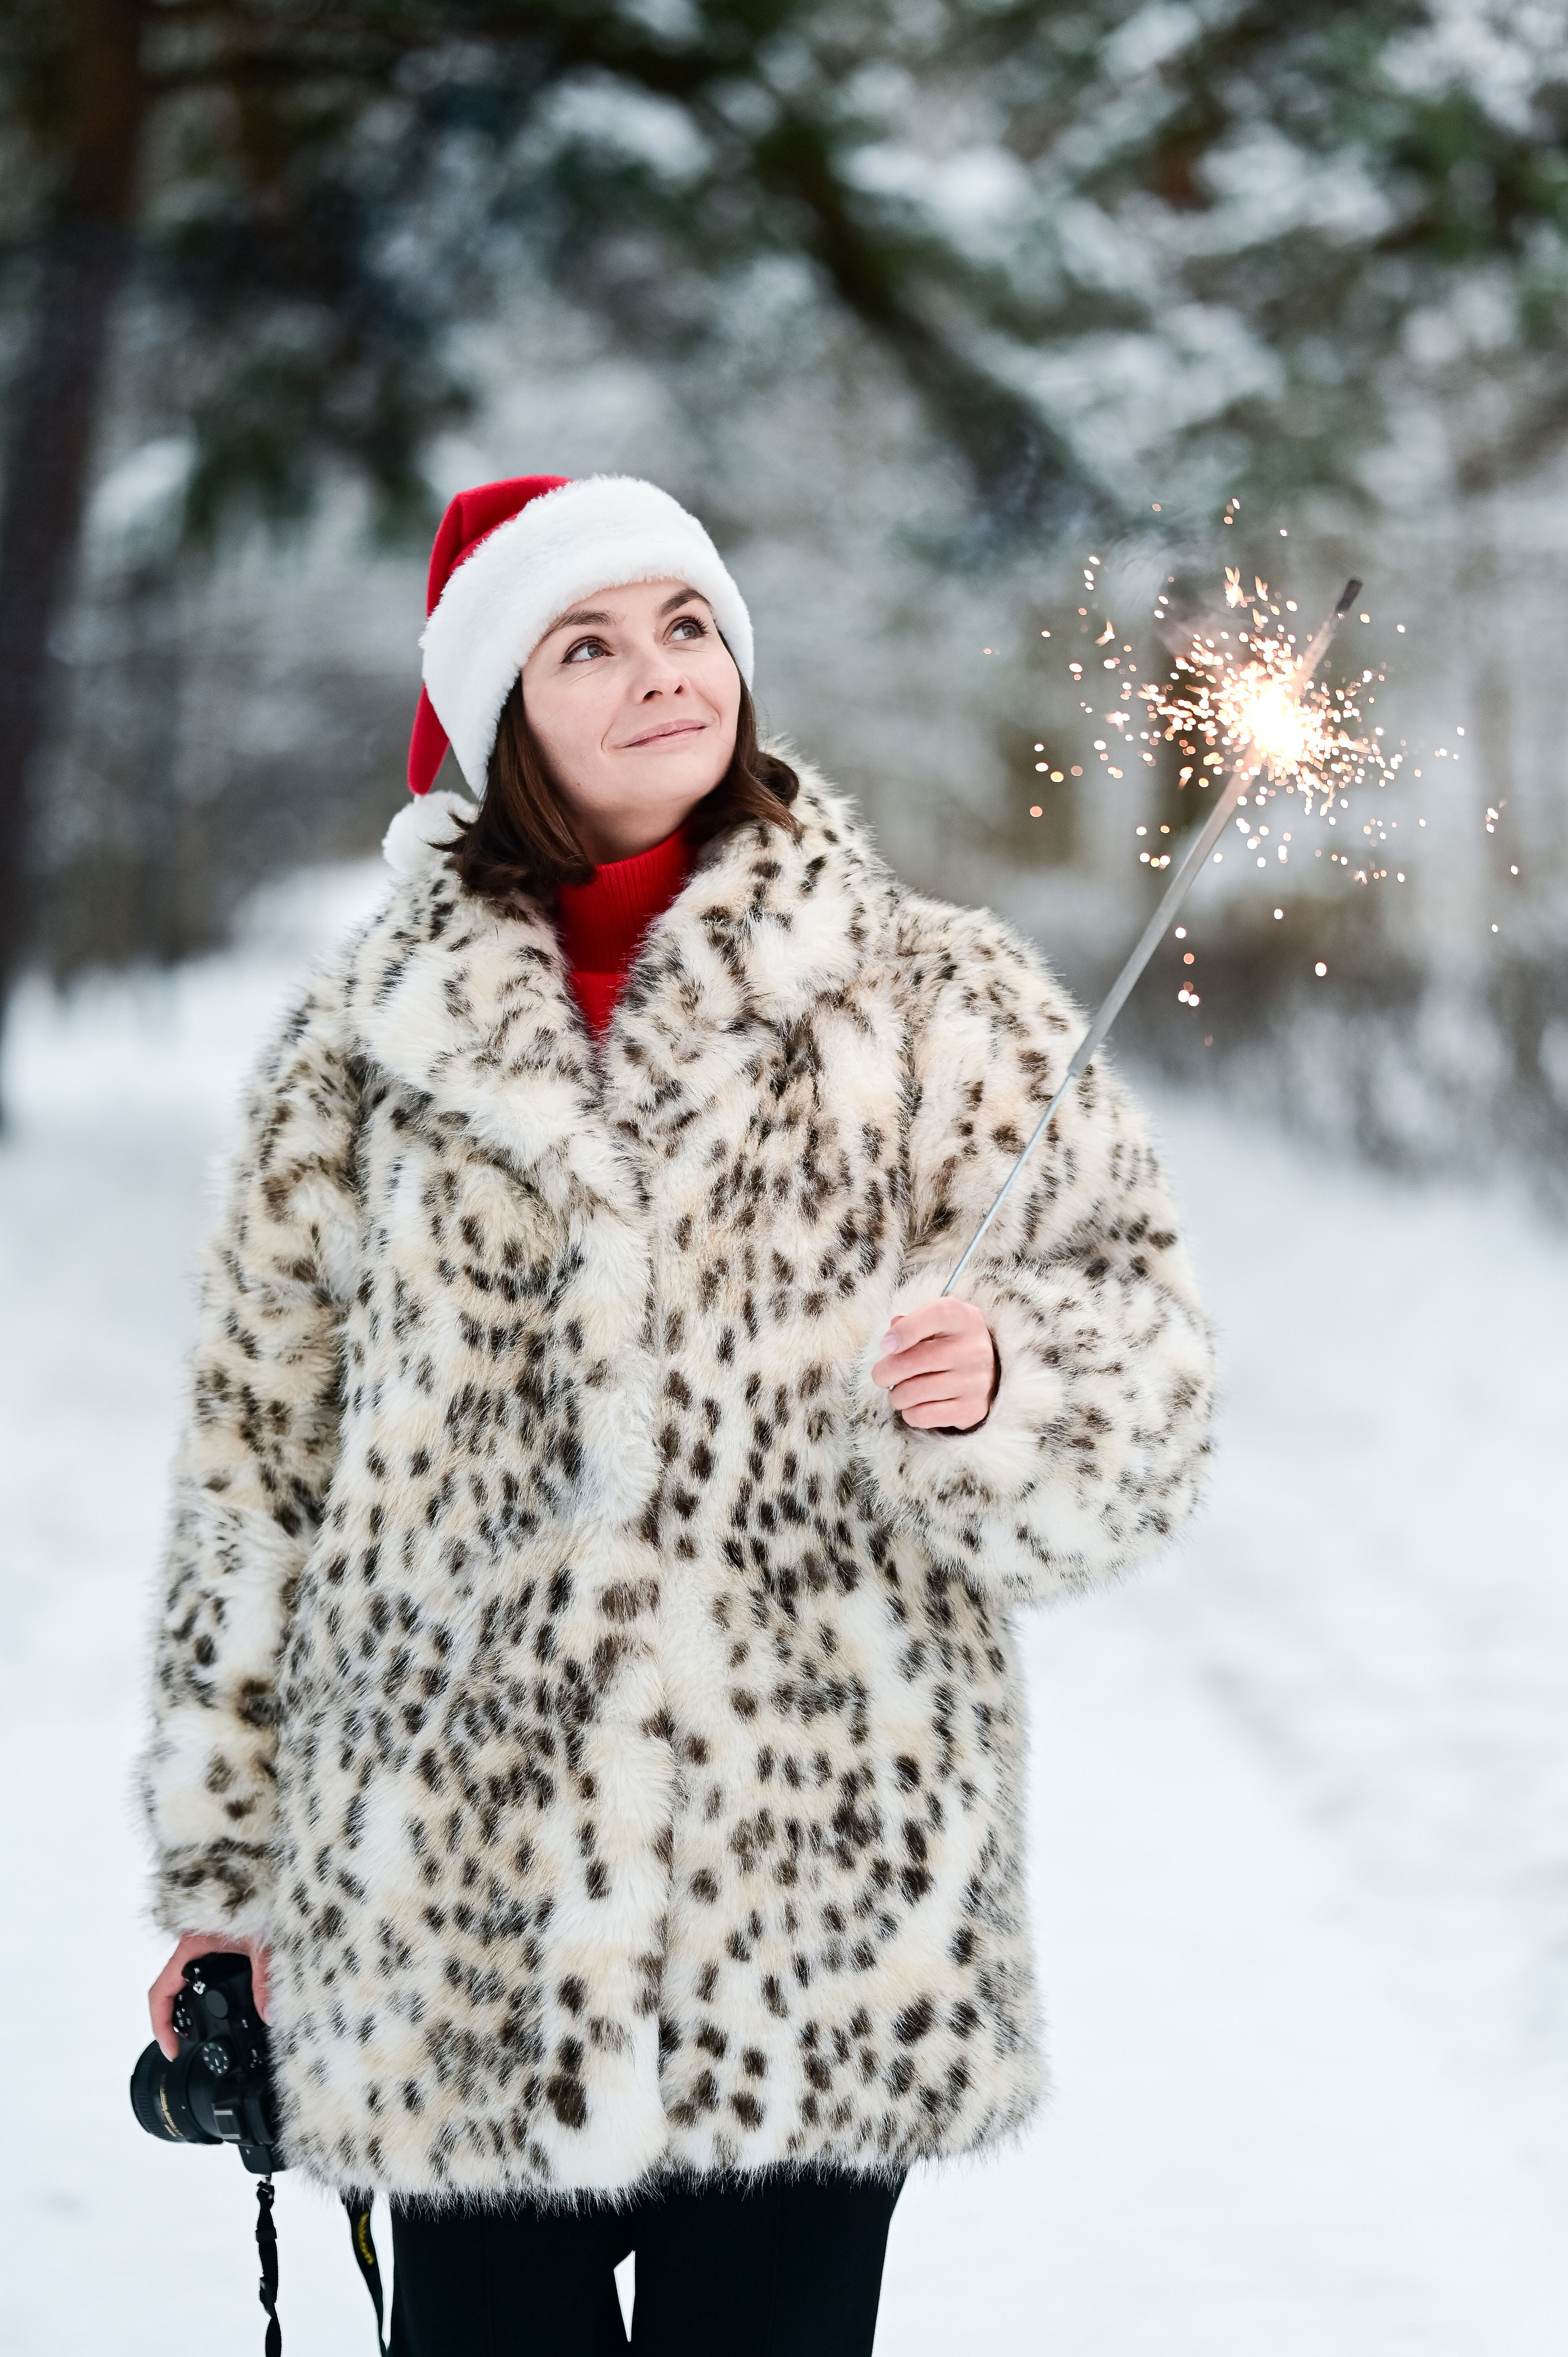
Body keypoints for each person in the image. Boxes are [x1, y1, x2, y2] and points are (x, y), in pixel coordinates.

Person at [140, 472, 1214, 2355]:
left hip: (813, 1900)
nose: (662, 674)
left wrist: (1008, 1391)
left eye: (689, 625)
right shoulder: (367, 1048)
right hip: (454, 1904)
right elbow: (261, 1474)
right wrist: (231, 1886)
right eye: (590, 643)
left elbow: (1148, 1357)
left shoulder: (929, 997)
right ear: (503, 716)